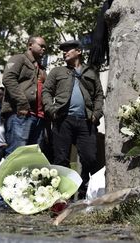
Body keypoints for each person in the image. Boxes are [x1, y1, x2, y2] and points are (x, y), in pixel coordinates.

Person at [42, 40, 104, 198]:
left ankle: (83, 193)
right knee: (61, 159)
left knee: (89, 158)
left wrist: (96, 114)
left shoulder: (91, 72)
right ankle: (60, 196)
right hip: (63, 120)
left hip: (86, 121)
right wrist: (51, 110)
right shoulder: (57, 71)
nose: (64, 53)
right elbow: (47, 91)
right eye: (63, 51)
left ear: (78, 52)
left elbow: (98, 95)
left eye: (68, 50)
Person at [2, 36, 48, 156]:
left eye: (45, 47)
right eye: (41, 46)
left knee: (32, 158)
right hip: (21, 114)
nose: (44, 49)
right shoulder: (19, 59)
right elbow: (8, 79)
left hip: (39, 118)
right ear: (30, 45)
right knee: (17, 154)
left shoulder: (42, 69)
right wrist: (22, 103)